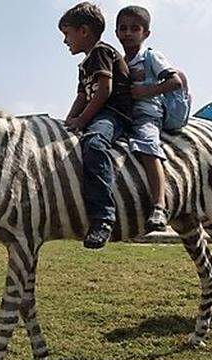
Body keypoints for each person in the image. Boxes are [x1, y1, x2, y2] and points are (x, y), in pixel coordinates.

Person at [59, 2, 133, 249]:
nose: (65, 41)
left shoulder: (101, 52)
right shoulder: (85, 64)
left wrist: (81, 121)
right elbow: (82, 97)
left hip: (113, 113)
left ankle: (103, 217)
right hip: (98, 112)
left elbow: (104, 91)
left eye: (67, 33)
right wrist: (68, 121)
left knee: (94, 143)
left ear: (83, 31)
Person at [115, 6, 183, 232]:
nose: (128, 33)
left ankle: (159, 204)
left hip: (147, 114)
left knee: (146, 145)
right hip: (125, 116)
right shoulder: (122, 61)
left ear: (146, 33)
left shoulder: (151, 56)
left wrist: (147, 91)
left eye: (135, 28)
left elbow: (175, 81)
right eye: (123, 28)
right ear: (116, 32)